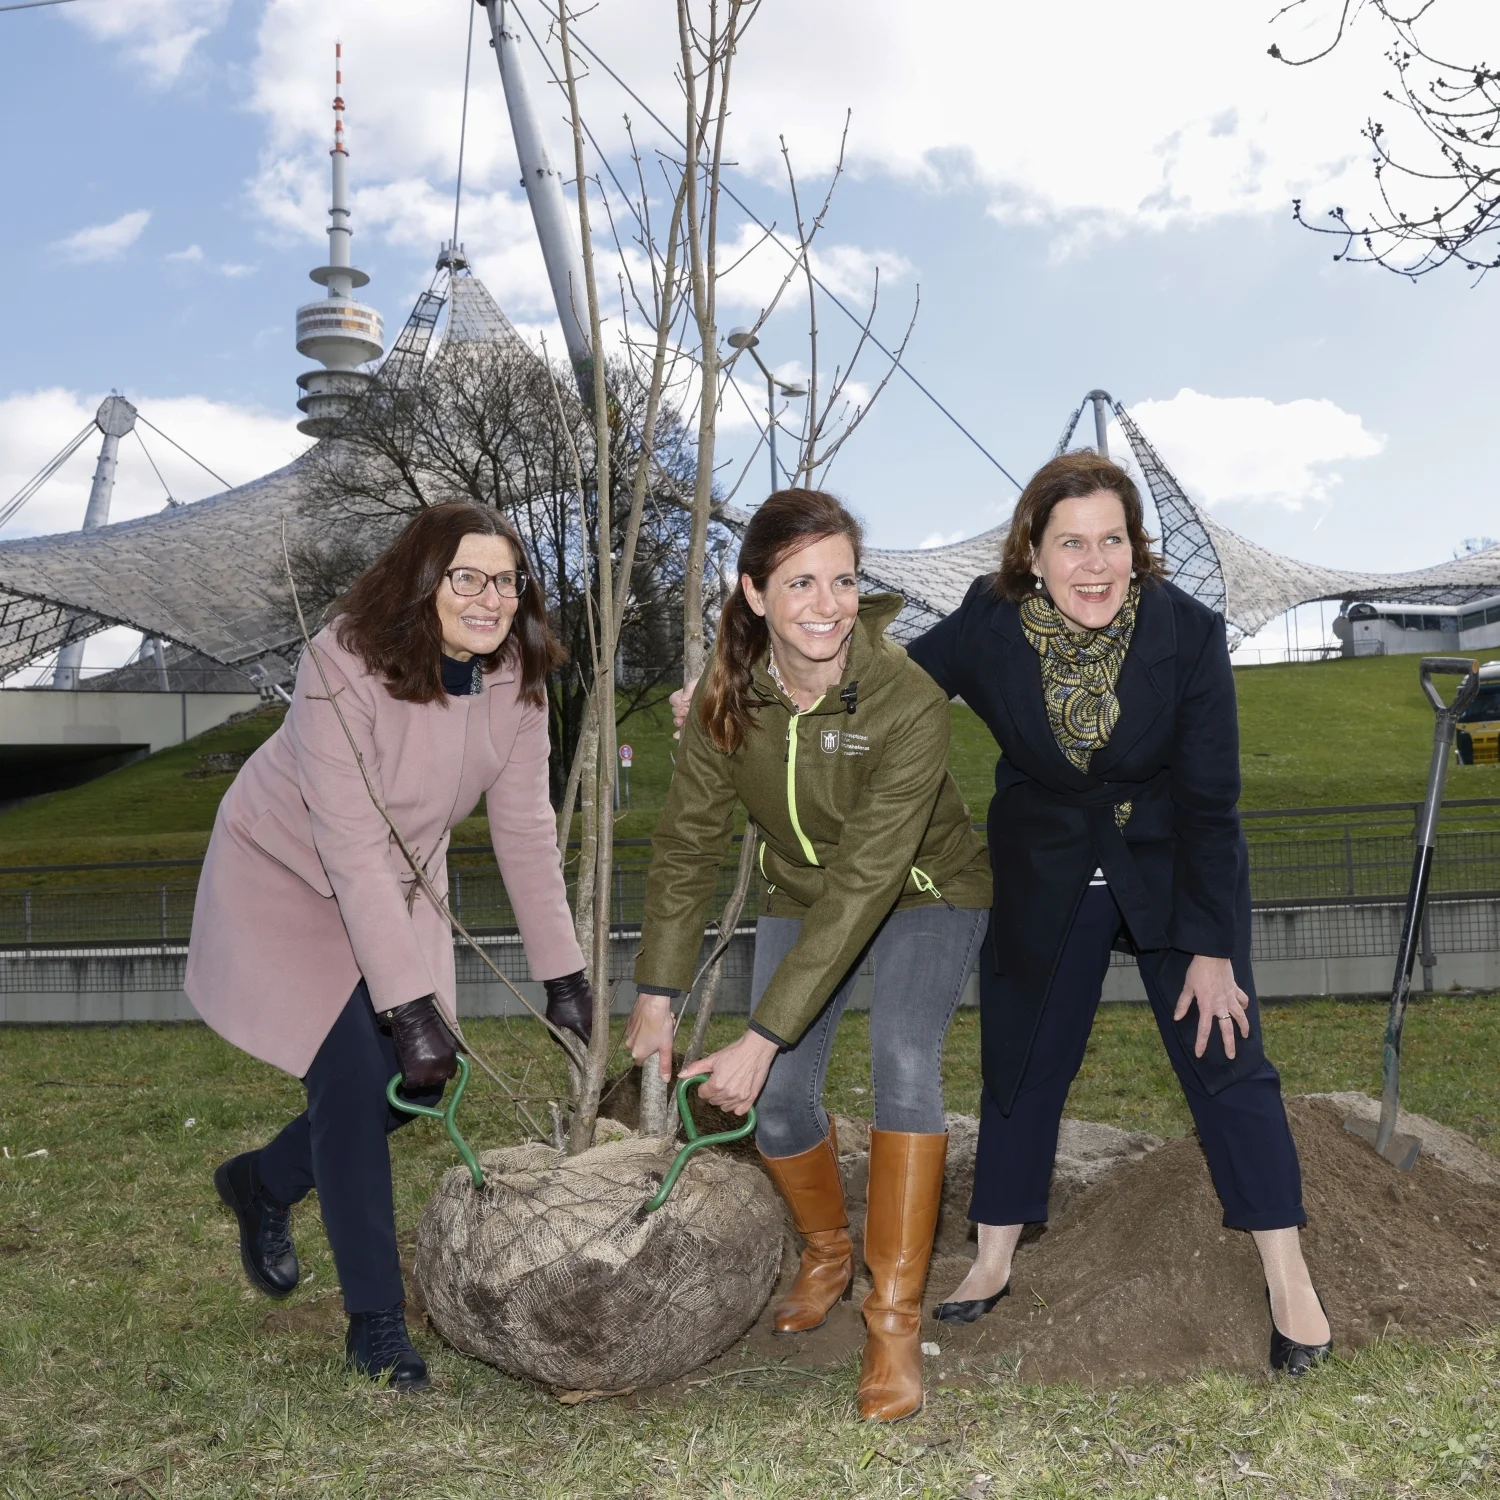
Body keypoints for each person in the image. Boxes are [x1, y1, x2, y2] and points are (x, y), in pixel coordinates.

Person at [906, 451, 1332, 1376]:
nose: (1093, 564)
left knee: (1225, 1045)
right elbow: (895, 687)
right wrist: (755, 687)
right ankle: (994, 1250)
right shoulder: (987, 621)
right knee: (1023, 1050)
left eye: (1112, 541)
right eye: (1071, 543)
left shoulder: (1188, 631)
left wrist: (1212, 948)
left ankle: (1288, 1272)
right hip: (1046, 860)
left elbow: (1215, 801)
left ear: (1138, 549)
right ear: (1034, 549)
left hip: (1171, 858)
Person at [186, 503, 593, 1393]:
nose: (491, 598)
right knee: (348, 1081)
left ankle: (261, 1181)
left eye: (506, 580)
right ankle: (375, 1321)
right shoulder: (341, 663)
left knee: (418, 1087)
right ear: (423, 581)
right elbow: (347, 842)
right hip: (290, 870)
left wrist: (565, 974)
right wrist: (405, 1007)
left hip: (396, 878)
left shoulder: (516, 680)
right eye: (467, 577)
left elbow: (524, 829)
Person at [627, 489, 992, 1422]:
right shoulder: (726, 700)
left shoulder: (907, 699)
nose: (827, 603)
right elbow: (687, 845)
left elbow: (870, 880)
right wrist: (659, 991)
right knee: (784, 1100)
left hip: (923, 892)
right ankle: (828, 1250)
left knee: (903, 1064)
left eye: (842, 579)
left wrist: (759, 1032)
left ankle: (893, 1321)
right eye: (800, 582)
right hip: (802, 893)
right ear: (753, 592)